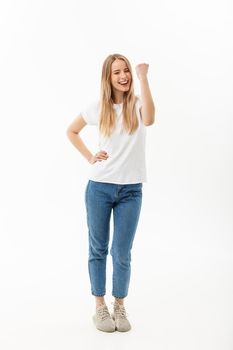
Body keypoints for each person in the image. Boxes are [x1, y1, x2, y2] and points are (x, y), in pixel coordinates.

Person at [66, 53, 156, 332]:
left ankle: (119, 305)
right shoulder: (97, 107)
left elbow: (150, 120)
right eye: (117, 72)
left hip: (131, 190)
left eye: (126, 71)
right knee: (98, 248)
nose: (123, 76)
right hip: (100, 188)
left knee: (122, 252)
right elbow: (72, 131)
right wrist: (90, 156)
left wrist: (143, 77)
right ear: (108, 77)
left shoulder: (139, 104)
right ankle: (100, 307)